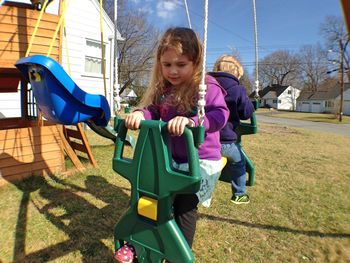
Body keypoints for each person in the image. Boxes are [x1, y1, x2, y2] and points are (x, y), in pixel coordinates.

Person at [114, 27, 229, 263]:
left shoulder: (207, 86)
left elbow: (220, 115)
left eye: (181, 64)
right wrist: (139, 114)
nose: (173, 71)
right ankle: (138, 245)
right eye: (167, 65)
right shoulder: (164, 89)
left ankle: (178, 254)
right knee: (149, 199)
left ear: (195, 62)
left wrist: (193, 121)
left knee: (185, 208)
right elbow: (152, 111)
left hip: (198, 160)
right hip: (169, 158)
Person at [208, 55, 255, 205]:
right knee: (238, 162)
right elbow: (246, 112)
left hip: (204, 138)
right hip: (225, 141)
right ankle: (239, 194)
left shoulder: (206, 85)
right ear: (236, 73)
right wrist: (250, 103)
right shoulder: (237, 89)